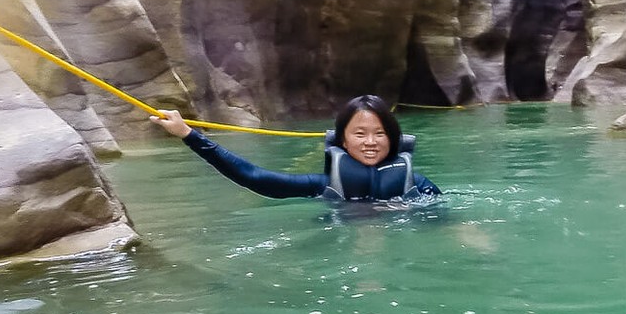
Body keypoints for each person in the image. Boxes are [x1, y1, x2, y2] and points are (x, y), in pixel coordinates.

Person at [150, 93, 440, 201]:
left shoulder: (417, 185)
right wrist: (188, 134)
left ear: (393, 138)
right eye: (360, 134)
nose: (371, 142)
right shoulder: (323, 186)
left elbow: (445, 219)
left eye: (380, 134)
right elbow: (253, 177)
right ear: (343, 140)